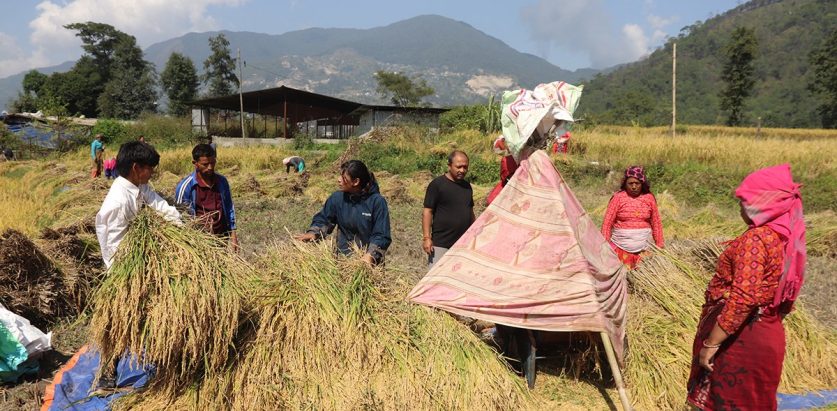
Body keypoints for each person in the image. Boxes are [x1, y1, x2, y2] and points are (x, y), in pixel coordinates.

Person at [687, 164, 806, 411]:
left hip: (740, 340)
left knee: (728, 403)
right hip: (767, 332)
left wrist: (711, 344)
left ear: (761, 204)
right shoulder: (785, 237)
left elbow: (743, 298)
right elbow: (786, 296)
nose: (740, 206)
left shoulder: (756, 239)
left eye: (744, 201)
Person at [96, 141, 182, 269]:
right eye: (150, 168)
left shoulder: (139, 185)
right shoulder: (119, 203)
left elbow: (160, 205)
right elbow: (115, 251)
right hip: (124, 265)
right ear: (136, 168)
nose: (152, 172)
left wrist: (180, 225)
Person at [294, 160, 391, 266]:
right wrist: (314, 232)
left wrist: (370, 255)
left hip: (368, 264)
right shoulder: (337, 198)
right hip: (343, 261)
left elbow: (381, 235)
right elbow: (324, 219)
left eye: (344, 178)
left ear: (356, 182)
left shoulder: (376, 202)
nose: (339, 180)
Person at [174, 144, 238, 251]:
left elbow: (229, 207)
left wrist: (233, 235)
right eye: (205, 164)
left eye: (212, 163)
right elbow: (179, 216)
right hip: (199, 241)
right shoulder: (185, 187)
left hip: (221, 238)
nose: (210, 167)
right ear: (195, 164)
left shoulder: (222, 182)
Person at [600, 166, 664, 269]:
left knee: (643, 278)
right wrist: (604, 246)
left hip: (644, 251)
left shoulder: (649, 198)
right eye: (630, 183)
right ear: (625, 184)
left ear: (642, 184)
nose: (634, 187)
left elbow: (656, 223)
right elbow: (607, 223)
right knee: (621, 278)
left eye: (637, 183)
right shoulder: (618, 198)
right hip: (620, 249)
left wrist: (659, 245)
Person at [422, 150, 475, 267]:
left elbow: (470, 212)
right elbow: (427, 211)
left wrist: (474, 234)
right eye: (458, 167)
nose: (462, 170)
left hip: (462, 244)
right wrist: (426, 238)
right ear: (449, 165)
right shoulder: (437, 185)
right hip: (441, 244)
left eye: (465, 167)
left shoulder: (467, 187)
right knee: (436, 280)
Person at [486, 136, 519, 206]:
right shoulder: (500, 142)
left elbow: (503, 176)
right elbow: (503, 148)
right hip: (498, 151)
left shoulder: (506, 160)